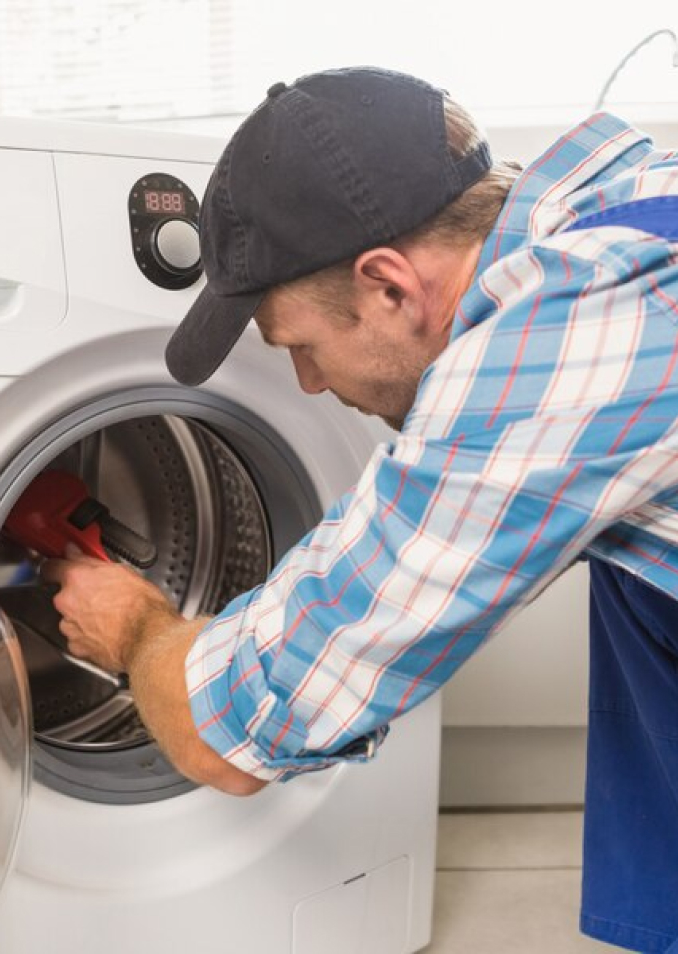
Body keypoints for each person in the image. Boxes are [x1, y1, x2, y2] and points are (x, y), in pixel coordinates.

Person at [41, 67, 678, 952]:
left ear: (387, 285)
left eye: (299, 345)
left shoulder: (555, 351)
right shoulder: (622, 208)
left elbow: (230, 735)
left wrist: (140, 627)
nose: (306, 381)